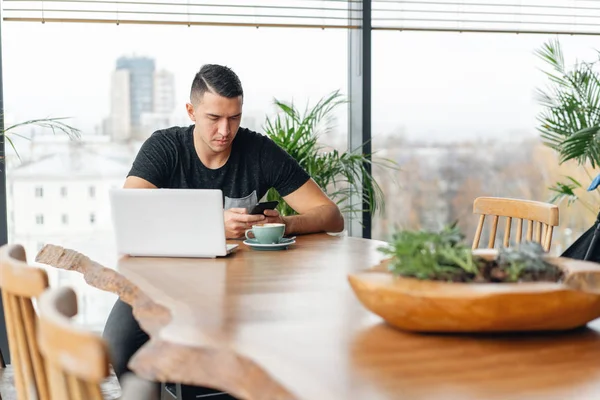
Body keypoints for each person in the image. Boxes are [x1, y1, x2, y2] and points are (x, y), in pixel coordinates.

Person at [102, 64, 345, 398]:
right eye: (214, 118)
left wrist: (283, 223)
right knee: (118, 341)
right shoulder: (165, 147)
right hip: (159, 280)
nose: (225, 130)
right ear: (191, 111)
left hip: (235, 291)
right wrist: (215, 222)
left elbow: (331, 215)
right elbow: (132, 210)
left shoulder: (258, 151)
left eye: (234, 117)